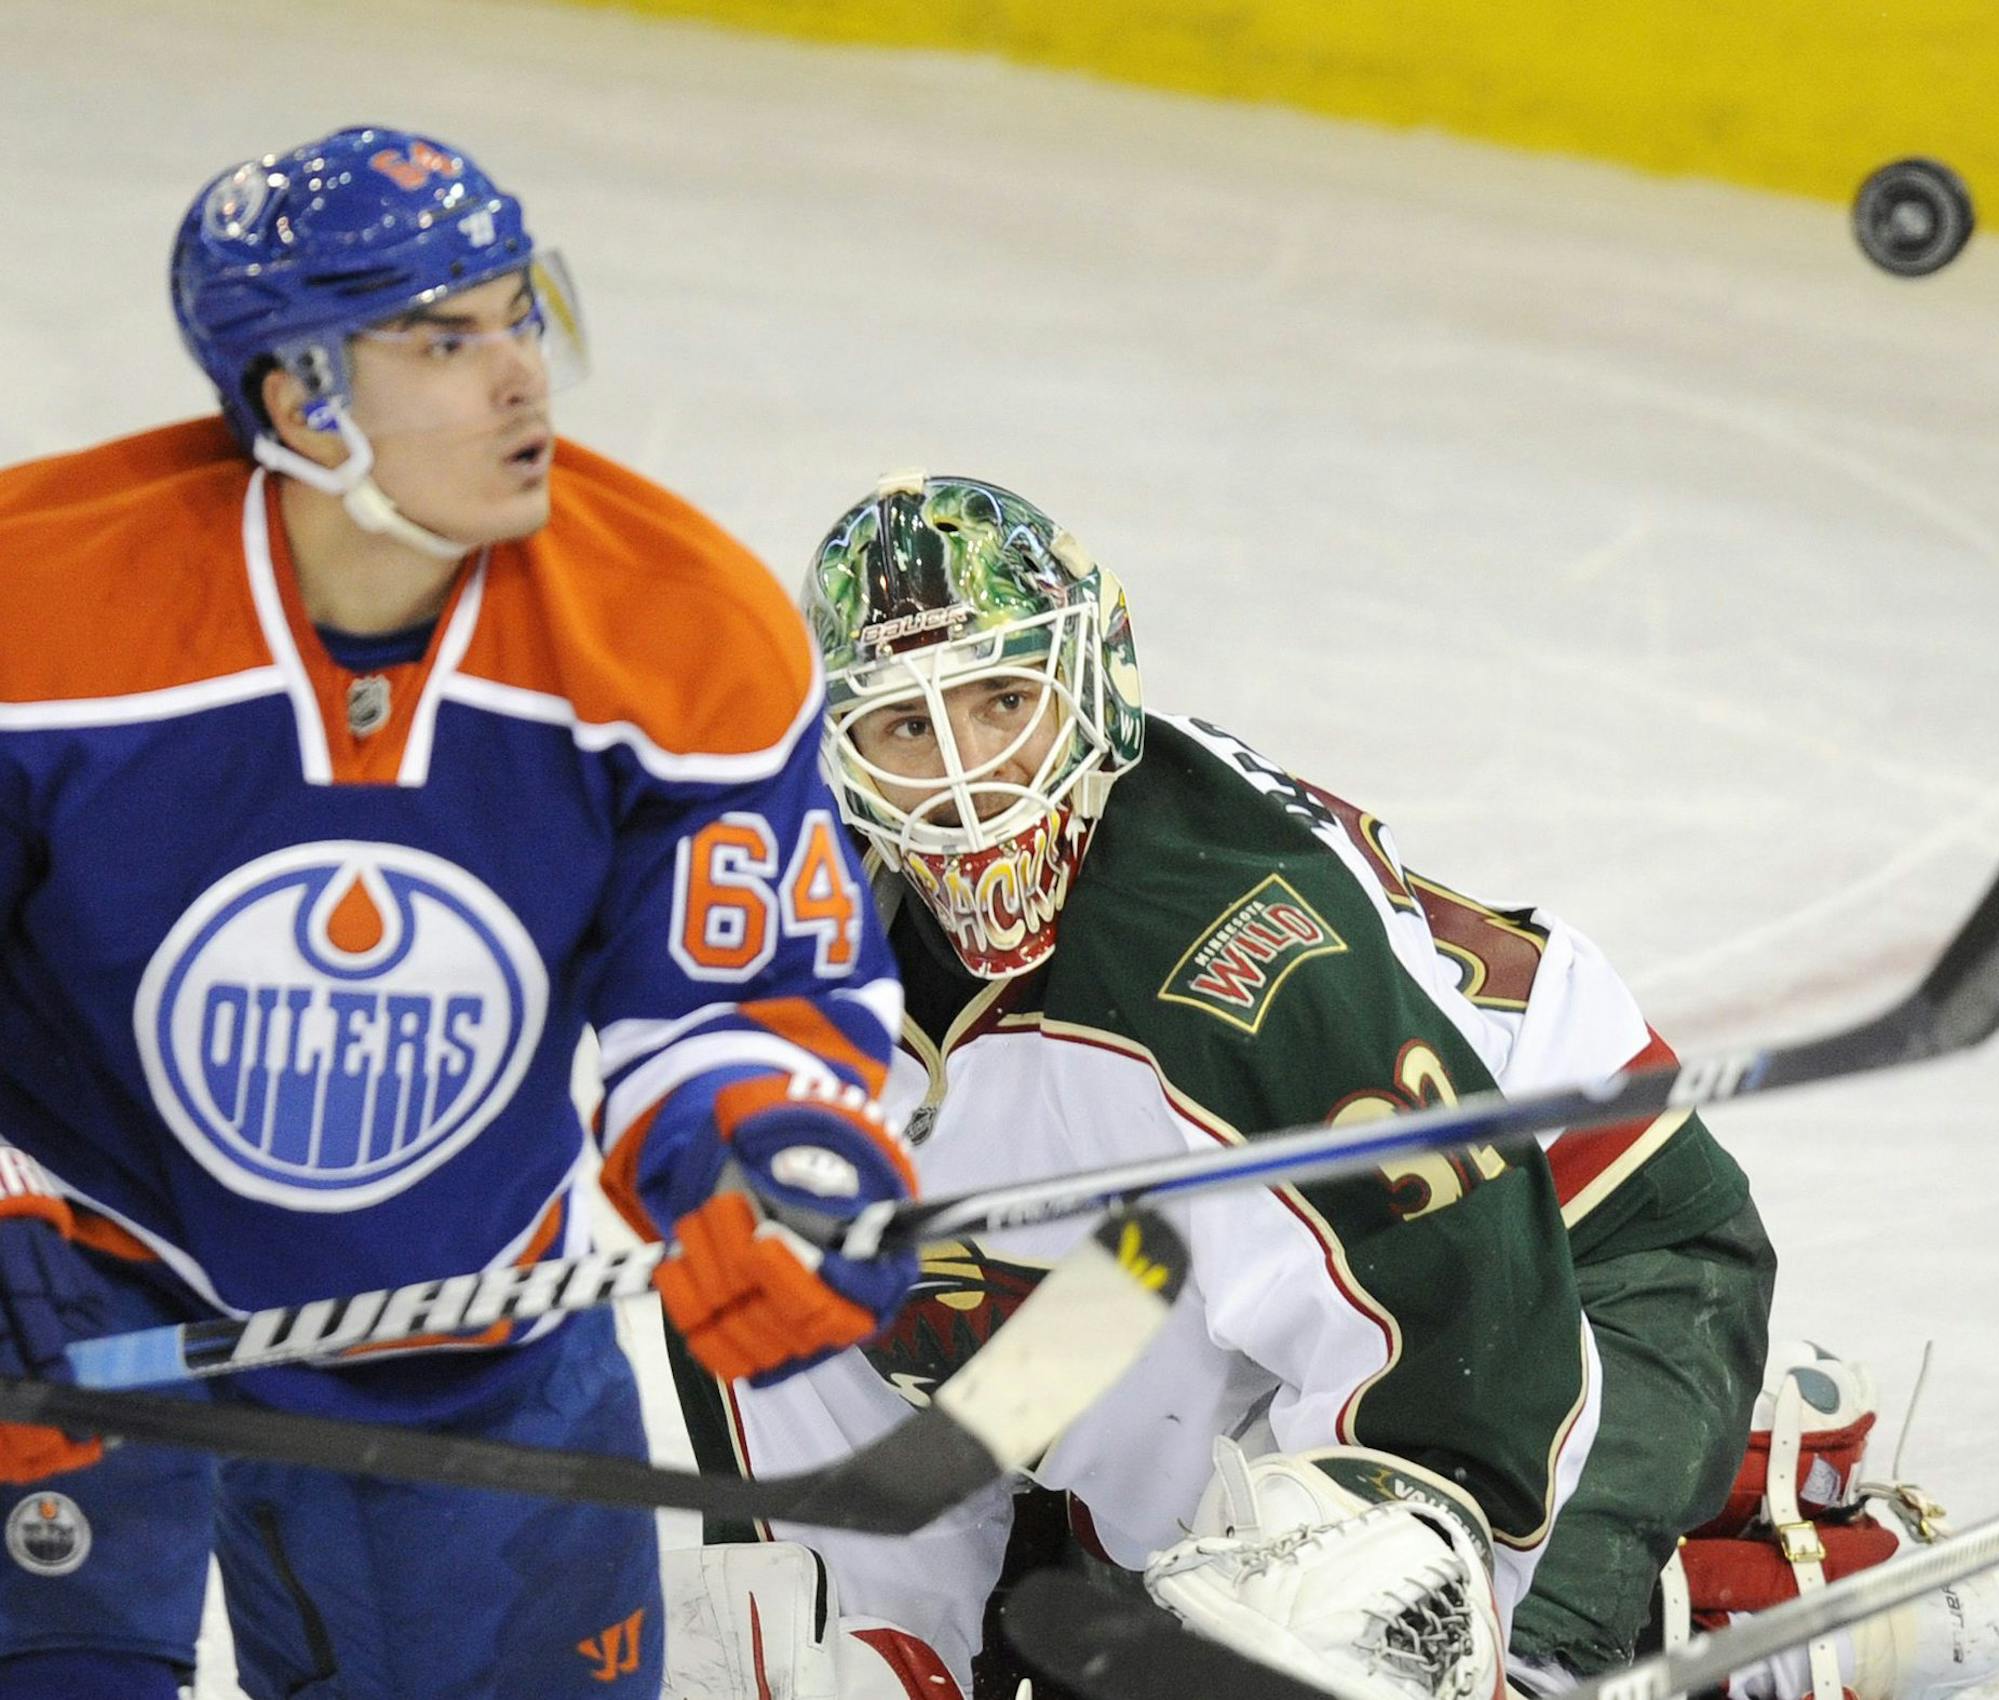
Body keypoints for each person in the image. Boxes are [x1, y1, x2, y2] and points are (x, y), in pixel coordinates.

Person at [0, 126, 917, 1700]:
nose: (521, 378)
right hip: (75, 1274)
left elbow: (731, 995)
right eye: (443, 338)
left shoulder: (678, 633)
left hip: (463, 1299)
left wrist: (770, 1160)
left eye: (518, 313)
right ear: (300, 398)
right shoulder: (37, 613)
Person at [666, 469, 1778, 1700]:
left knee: (1354, 1636)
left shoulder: (1227, 954)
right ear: (840, 751)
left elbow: (1462, 1322)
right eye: (911, 728)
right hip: (1146, 1295)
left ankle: (1753, 1581)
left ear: (1092, 688)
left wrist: (1387, 1601)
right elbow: (837, 1501)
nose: (973, 785)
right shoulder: (770, 1013)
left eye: (1002, 702)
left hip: (1571, 1249)